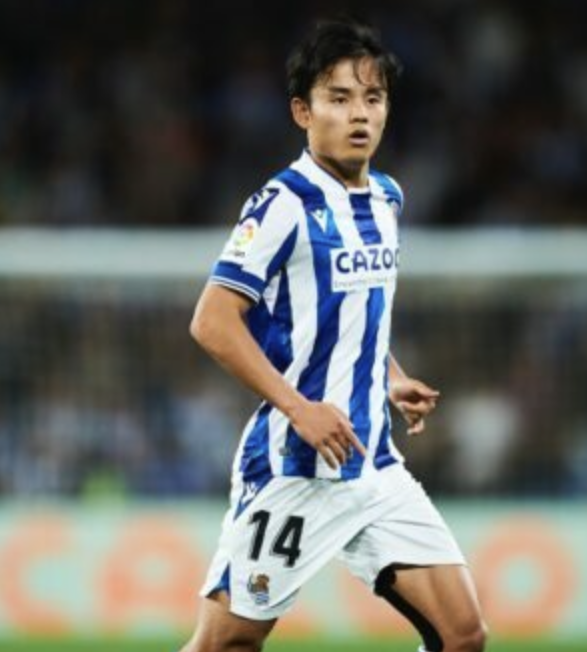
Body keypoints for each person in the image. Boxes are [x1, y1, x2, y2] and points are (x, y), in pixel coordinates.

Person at [181, 19, 487, 652]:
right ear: (303, 111)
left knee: (463, 636)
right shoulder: (281, 205)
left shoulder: (387, 199)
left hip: (372, 464)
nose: (360, 114)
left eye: (373, 98)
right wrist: (300, 409)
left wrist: (389, 377)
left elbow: (350, 311)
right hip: (295, 467)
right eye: (339, 98)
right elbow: (211, 321)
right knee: (225, 645)